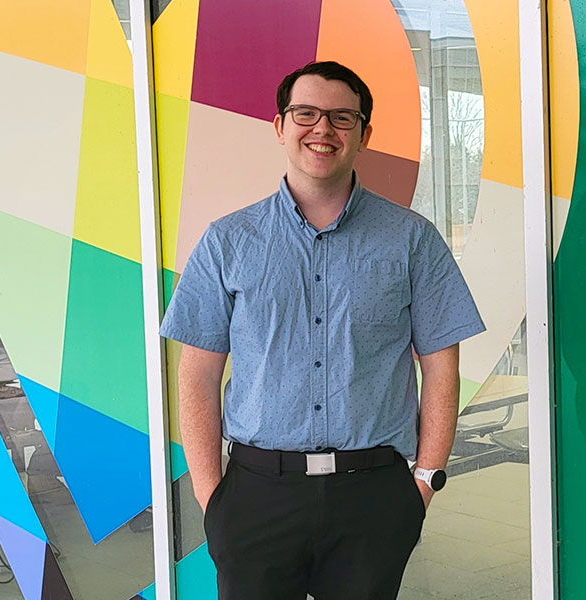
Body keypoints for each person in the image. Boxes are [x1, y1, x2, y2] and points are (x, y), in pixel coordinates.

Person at [159, 61, 485, 600]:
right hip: (256, 495)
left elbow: (441, 368)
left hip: (374, 497)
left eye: (341, 117)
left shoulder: (412, 241)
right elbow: (196, 376)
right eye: (305, 113)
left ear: (364, 134)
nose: (323, 130)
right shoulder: (227, 241)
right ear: (280, 126)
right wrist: (210, 494)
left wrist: (425, 479)